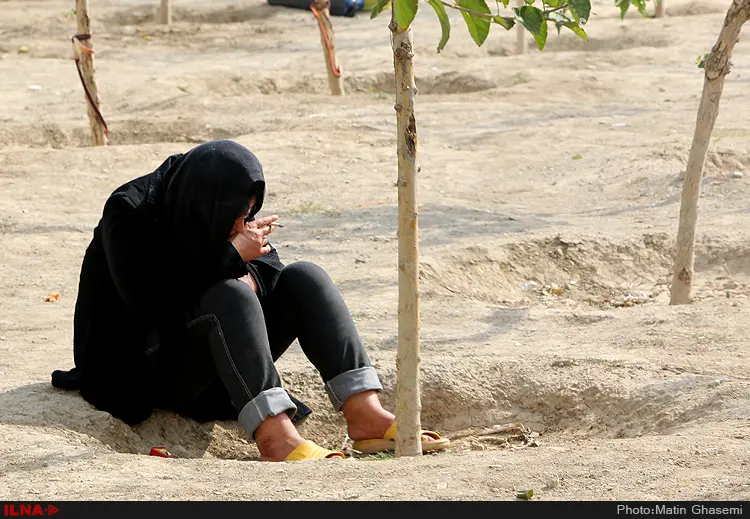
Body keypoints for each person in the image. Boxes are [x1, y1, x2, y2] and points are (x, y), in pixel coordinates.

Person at [51, 140, 449, 461]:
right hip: (137, 367)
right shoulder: (130, 212)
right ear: (209, 207)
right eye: (234, 219)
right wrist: (229, 260)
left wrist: (242, 263)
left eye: (248, 216)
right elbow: (148, 302)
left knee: (304, 277)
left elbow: (268, 269)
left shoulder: (216, 200)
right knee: (231, 293)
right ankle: (275, 436)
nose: (241, 226)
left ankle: (365, 414)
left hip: (207, 362)